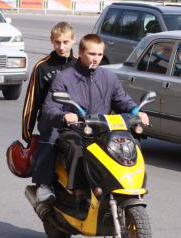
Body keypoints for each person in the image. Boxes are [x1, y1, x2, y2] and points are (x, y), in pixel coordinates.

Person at [42, 34, 149, 212]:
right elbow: (49, 108)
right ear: (80, 53)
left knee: (132, 145)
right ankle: (79, 194)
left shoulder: (108, 77)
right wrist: (65, 115)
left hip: (103, 130)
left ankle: (127, 188)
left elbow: (122, 100)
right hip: (75, 130)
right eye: (92, 54)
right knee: (78, 150)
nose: (96, 58)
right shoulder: (65, 77)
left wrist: (137, 111)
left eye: (99, 54)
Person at [21, 22, 76, 217]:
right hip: (50, 118)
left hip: (75, 119)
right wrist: (28, 133)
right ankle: (43, 184)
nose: (61, 47)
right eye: (57, 42)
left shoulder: (79, 65)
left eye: (65, 42)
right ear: (52, 41)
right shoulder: (42, 67)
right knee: (51, 136)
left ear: (73, 40)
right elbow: (31, 101)